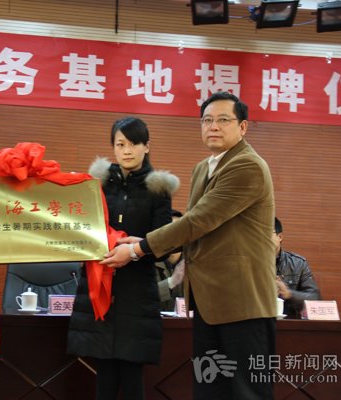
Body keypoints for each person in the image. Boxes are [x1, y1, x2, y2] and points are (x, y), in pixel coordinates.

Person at [102, 92, 277, 400]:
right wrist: (144, 243)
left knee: (246, 392)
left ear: (243, 127)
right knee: (209, 390)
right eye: (207, 120)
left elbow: (199, 221)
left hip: (242, 300)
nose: (214, 126)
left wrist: (139, 249)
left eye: (223, 120)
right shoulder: (203, 168)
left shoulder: (247, 165)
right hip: (210, 300)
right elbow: (197, 232)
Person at [67, 117, 180, 400]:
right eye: (120, 144)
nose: (126, 151)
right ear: (113, 148)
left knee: (131, 370)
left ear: (146, 146)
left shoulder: (158, 189)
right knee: (104, 369)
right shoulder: (97, 184)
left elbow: (164, 242)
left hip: (136, 289)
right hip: (100, 283)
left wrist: (137, 248)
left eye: (133, 144)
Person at [273, 217, 321, 319]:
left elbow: (315, 298)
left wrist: (289, 293)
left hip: (290, 323)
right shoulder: (250, 263)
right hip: (257, 323)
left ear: (280, 237)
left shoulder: (298, 263)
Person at [155, 209, 185, 311]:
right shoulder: (147, 262)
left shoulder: (193, 261)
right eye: (169, 231)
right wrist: (171, 282)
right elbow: (142, 297)